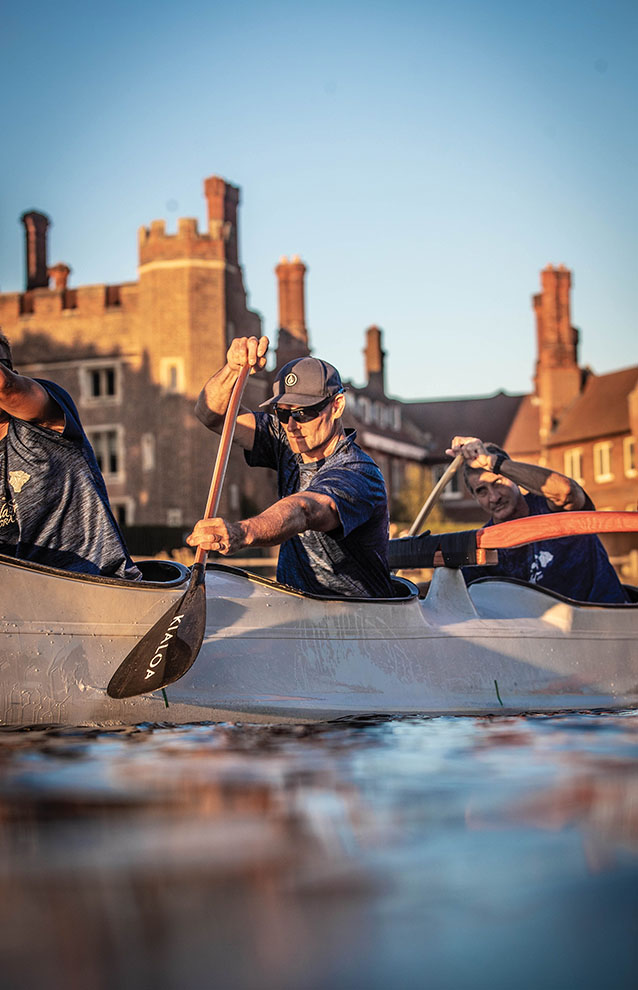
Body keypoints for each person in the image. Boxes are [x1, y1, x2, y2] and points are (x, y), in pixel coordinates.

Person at [188, 335, 394, 598]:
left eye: (304, 413)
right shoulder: (286, 439)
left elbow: (305, 509)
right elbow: (212, 415)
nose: (292, 425)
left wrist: (242, 531)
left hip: (359, 620)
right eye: (283, 413)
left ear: (337, 406)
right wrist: (231, 369)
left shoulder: (358, 473)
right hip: (296, 612)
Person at [0, 331, 141, 579]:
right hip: (21, 603)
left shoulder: (44, 415)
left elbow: (5, 388)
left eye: (3, 365)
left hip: (95, 587)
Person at [447, 435, 627, 603]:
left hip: (609, 618)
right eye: (482, 491)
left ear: (515, 479)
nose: (494, 497)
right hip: (546, 635)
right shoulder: (484, 545)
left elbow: (568, 493)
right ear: (475, 498)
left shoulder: (551, 508)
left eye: (498, 482)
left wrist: (492, 462)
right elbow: (448, 591)